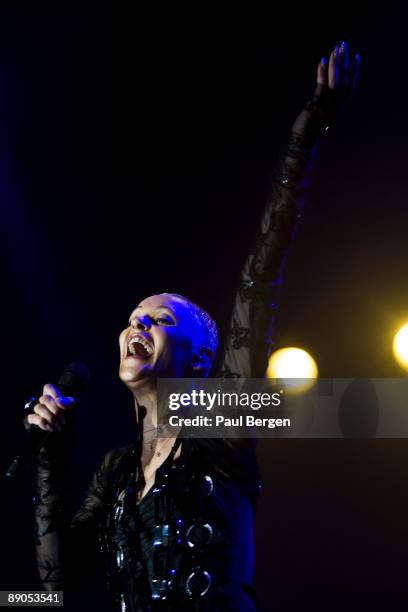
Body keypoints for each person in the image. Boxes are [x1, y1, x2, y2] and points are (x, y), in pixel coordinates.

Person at [26, 42, 360, 611]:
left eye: (158, 318)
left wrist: (308, 131)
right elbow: (50, 591)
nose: (138, 324)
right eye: (133, 318)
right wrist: (50, 459)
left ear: (201, 359)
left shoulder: (220, 426)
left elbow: (261, 273)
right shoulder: (117, 470)